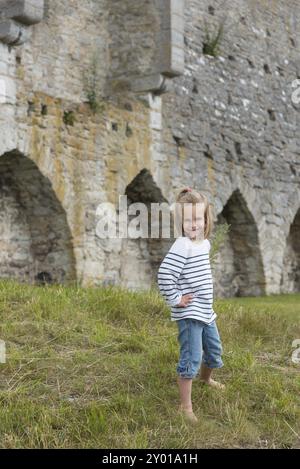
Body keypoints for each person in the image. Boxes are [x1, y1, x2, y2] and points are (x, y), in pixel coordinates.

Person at [157, 187, 225, 424]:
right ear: (180, 222)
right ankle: (185, 407)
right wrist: (176, 298)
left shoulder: (203, 244)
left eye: (198, 218)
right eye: (188, 220)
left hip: (207, 311)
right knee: (191, 358)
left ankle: (206, 380)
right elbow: (165, 274)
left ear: (206, 219)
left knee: (215, 351)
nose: (194, 224)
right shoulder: (182, 245)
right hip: (189, 313)